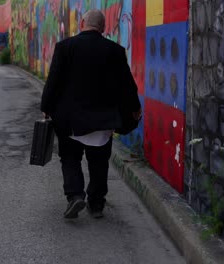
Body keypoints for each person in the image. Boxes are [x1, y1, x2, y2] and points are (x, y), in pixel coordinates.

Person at [40, 9, 141, 219]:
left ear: (82, 22)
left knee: (69, 158)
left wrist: (46, 106)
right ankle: (96, 204)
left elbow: (54, 82)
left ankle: (75, 195)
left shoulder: (65, 47)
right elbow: (127, 86)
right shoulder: (115, 50)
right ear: (103, 28)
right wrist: (134, 108)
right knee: (99, 162)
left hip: (70, 119)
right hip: (102, 119)